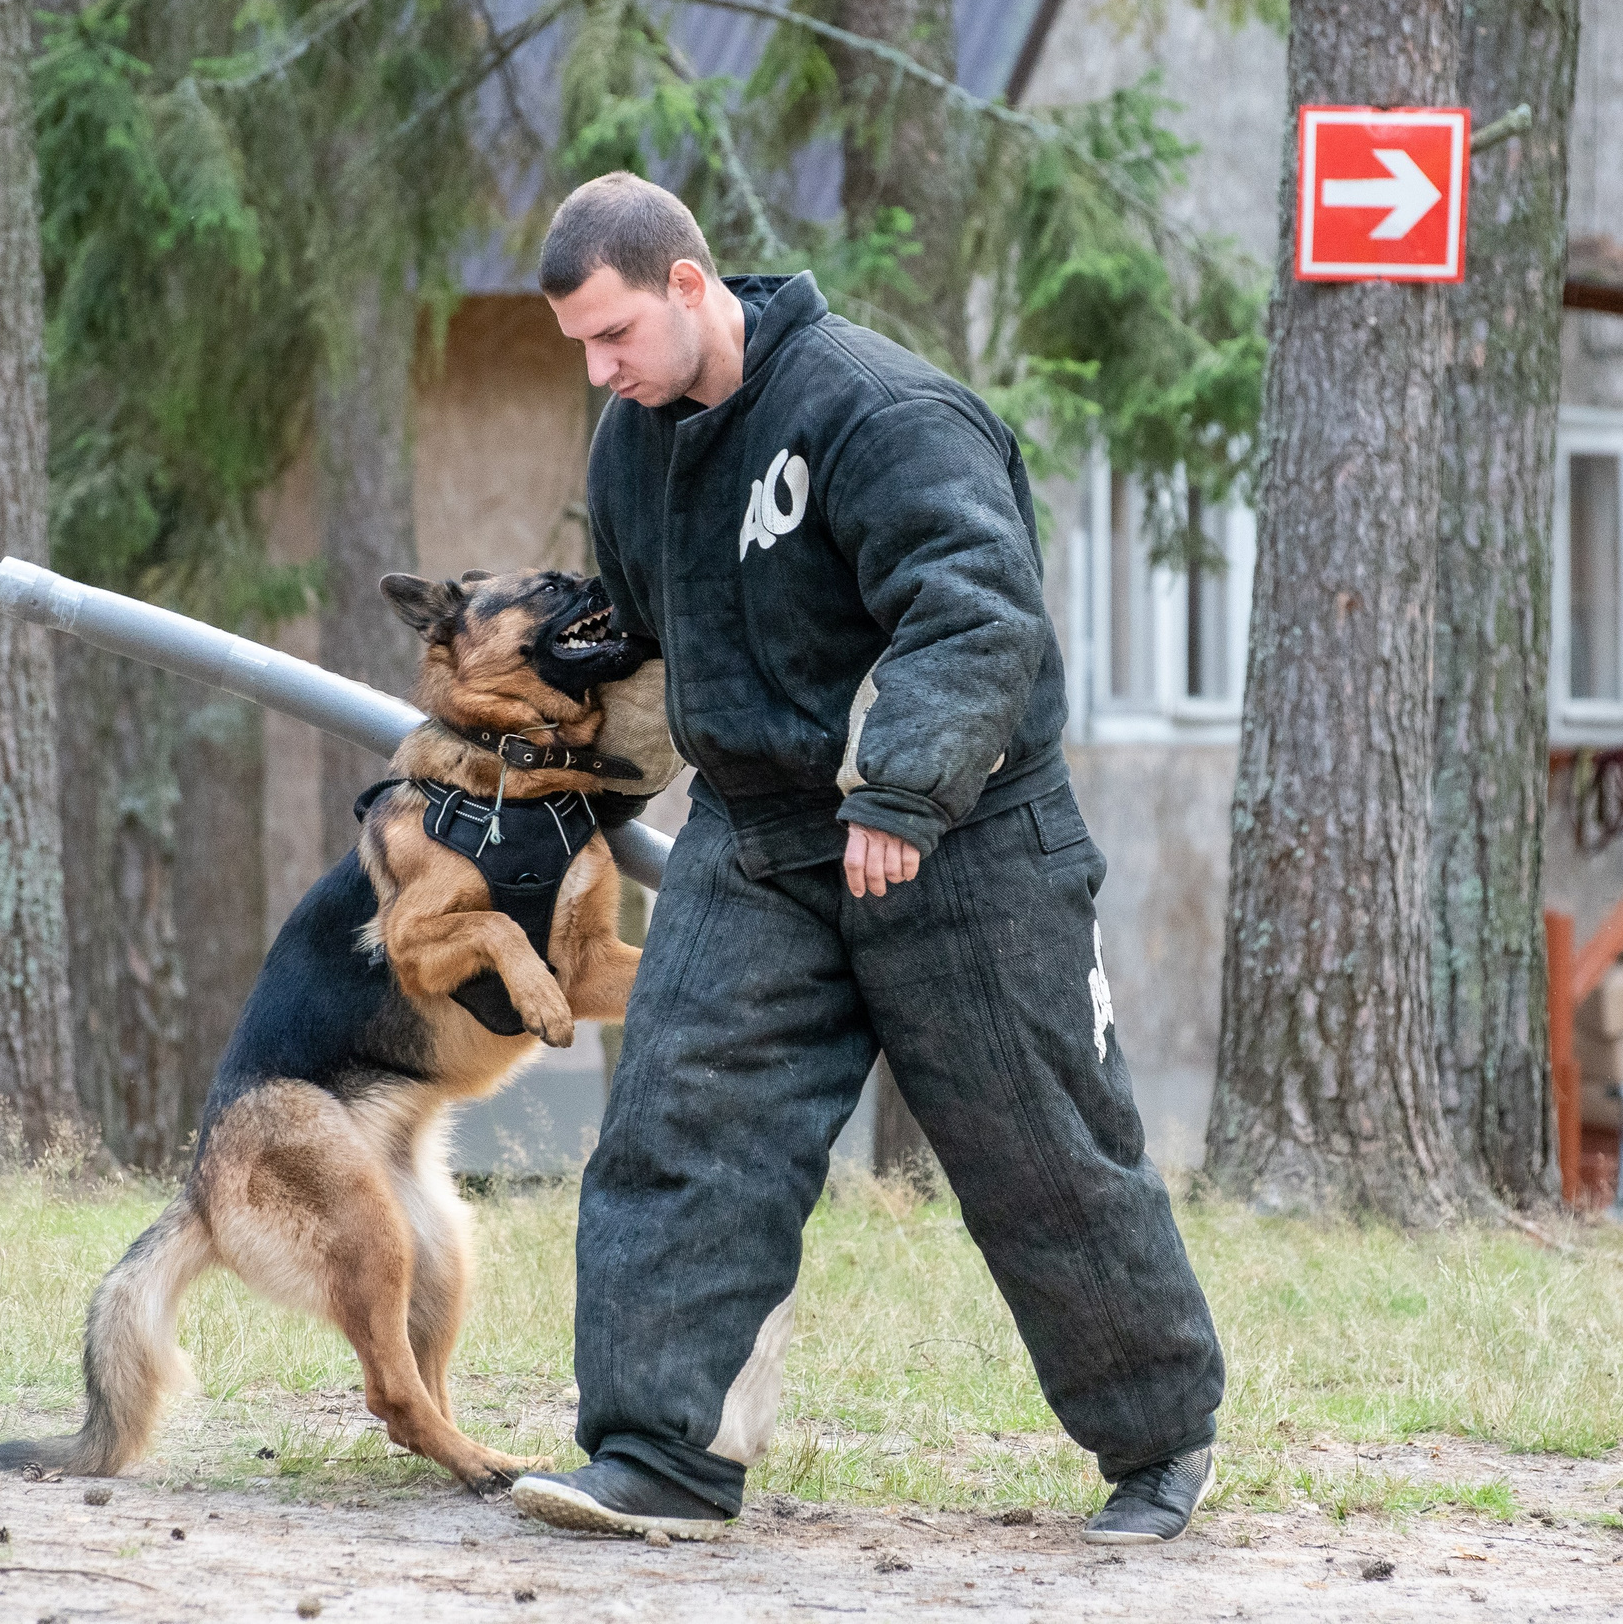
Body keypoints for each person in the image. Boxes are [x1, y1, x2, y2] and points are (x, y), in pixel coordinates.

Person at [507, 172, 1225, 1547]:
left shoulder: (878, 410)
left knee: (1042, 1145)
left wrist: (897, 791)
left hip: (964, 830)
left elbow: (974, 605)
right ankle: (662, 1453)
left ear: (688, 283)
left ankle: (1158, 1441)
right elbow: (649, 645)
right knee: (680, 1119)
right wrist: (555, 758)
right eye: (580, 350)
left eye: (614, 337)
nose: (601, 372)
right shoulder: (631, 446)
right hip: (762, 834)